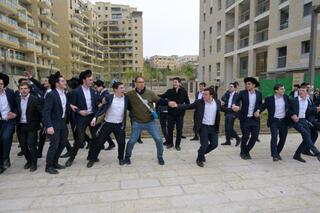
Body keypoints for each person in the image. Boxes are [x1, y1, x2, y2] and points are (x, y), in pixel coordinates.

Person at [169, 87, 220, 167]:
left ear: (211, 95)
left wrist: (233, 109)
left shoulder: (217, 102)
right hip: (203, 127)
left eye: (205, 94)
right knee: (205, 144)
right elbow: (188, 106)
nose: (203, 96)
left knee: (214, 144)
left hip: (213, 127)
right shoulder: (199, 102)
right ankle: (199, 159)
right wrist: (176, 105)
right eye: (203, 94)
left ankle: (201, 152)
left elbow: (222, 109)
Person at [124, 76, 166, 165]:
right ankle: (127, 156)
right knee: (132, 140)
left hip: (150, 122)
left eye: (143, 82)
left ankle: (160, 156)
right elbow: (122, 100)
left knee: (158, 139)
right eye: (139, 82)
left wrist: (168, 102)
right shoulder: (130, 94)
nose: (142, 84)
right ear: (135, 83)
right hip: (137, 122)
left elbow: (159, 100)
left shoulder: (150, 93)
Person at [88, 81, 128, 167]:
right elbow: (101, 108)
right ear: (115, 90)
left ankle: (121, 158)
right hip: (107, 124)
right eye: (121, 88)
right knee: (99, 142)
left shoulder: (126, 98)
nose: (123, 89)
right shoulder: (109, 97)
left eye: (123, 88)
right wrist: (95, 117)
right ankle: (92, 159)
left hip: (119, 125)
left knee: (121, 143)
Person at [65, 70, 98, 167]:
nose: (92, 81)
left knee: (95, 138)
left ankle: (91, 157)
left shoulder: (94, 91)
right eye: (90, 79)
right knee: (79, 140)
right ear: (84, 80)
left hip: (92, 117)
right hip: (81, 118)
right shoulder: (76, 92)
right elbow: (70, 105)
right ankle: (71, 158)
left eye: (92, 79)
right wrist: (79, 111)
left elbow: (96, 103)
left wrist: (101, 103)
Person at [42, 72, 68, 174]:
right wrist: (49, 126)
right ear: (57, 84)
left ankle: (55, 162)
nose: (65, 82)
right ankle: (48, 166)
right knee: (54, 144)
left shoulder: (63, 93)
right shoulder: (51, 94)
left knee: (63, 143)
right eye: (62, 81)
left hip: (62, 122)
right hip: (53, 123)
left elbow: (63, 105)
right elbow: (46, 111)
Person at [232, 77, 262, 160]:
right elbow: (235, 100)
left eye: (249, 84)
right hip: (245, 119)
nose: (247, 85)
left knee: (255, 136)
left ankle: (247, 150)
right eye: (246, 84)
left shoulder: (259, 94)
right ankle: (242, 152)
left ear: (254, 85)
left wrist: (258, 111)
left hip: (255, 119)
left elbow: (260, 104)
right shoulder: (242, 93)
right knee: (245, 136)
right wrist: (234, 105)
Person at [289, 85, 320, 163]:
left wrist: (316, 109)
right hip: (296, 121)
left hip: (303, 120)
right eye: (300, 90)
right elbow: (287, 110)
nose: (301, 92)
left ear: (307, 92)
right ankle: (317, 153)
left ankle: (297, 154)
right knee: (305, 134)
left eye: (303, 91)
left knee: (307, 138)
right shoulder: (294, 100)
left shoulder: (307, 101)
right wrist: (292, 115)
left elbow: (308, 110)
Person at [16, 82, 42, 171]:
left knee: (31, 144)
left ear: (29, 89)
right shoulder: (17, 99)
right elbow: (16, 111)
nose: (23, 90)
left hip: (32, 126)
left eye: (25, 88)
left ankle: (34, 163)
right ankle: (29, 161)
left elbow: (40, 112)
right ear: (19, 90)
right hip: (21, 126)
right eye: (22, 88)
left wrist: (43, 122)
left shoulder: (34, 99)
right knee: (23, 146)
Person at [261, 84, 290, 161]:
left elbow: (291, 107)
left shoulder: (286, 97)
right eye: (281, 89)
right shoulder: (269, 99)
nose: (283, 90)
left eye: (284, 88)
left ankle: (277, 152)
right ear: (276, 90)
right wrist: (258, 111)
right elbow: (263, 107)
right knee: (274, 137)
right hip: (274, 121)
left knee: (283, 139)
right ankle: (274, 155)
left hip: (284, 121)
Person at [161, 77, 190, 151]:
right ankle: (170, 143)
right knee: (170, 129)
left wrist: (182, 108)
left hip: (180, 115)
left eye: (176, 82)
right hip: (170, 114)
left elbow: (187, 103)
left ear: (179, 83)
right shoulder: (169, 91)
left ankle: (177, 145)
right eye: (173, 82)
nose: (174, 83)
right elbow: (162, 97)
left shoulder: (184, 92)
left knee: (179, 130)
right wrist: (153, 95)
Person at [0, 73, 17, 174]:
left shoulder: (10, 93)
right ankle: (1, 164)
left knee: (5, 139)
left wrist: (14, 113)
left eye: (1, 84)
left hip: (9, 122)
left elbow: (16, 106)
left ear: (4, 84)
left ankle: (5, 158)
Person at [93, 80, 115, 150]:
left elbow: (104, 103)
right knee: (101, 130)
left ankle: (109, 143)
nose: (96, 89)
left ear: (101, 87)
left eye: (96, 87)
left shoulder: (106, 94)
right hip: (100, 114)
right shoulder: (101, 93)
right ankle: (108, 143)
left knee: (101, 130)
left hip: (102, 114)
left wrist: (100, 104)